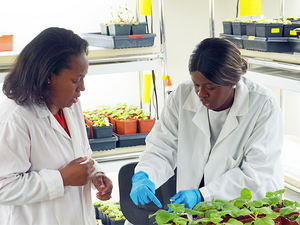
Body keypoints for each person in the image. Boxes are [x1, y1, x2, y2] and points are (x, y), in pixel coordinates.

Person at [130, 38, 284, 210]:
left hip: (250, 207)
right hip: (198, 208)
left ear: (232, 81)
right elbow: (162, 147)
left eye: (210, 87)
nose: (200, 93)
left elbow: (256, 171)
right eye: (196, 84)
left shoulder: (262, 104)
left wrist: (203, 195)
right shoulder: (182, 96)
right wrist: (145, 174)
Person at [0, 27, 113, 224]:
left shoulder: (70, 105)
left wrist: (96, 174)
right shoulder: (15, 118)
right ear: (48, 76)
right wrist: (61, 179)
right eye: (76, 80)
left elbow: (82, 156)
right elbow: (4, 186)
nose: (82, 88)